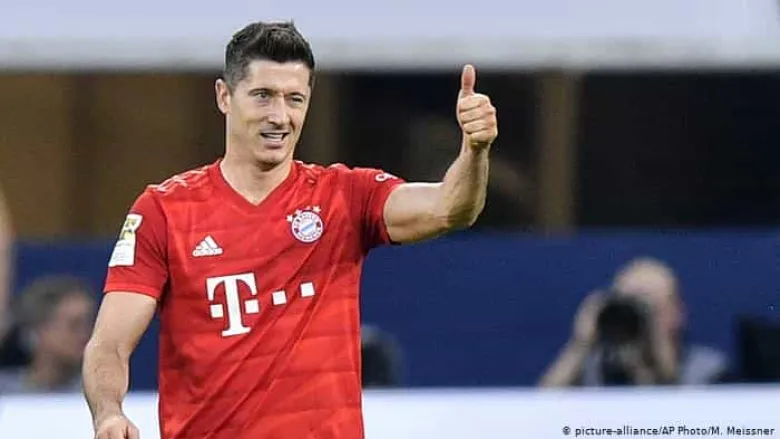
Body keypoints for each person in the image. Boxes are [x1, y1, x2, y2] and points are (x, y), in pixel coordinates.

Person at [82, 21, 497, 439]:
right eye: (263, 96)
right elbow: (109, 344)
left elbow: (450, 209)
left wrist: (475, 150)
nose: (279, 116)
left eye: (294, 99)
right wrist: (108, 413)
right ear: (224, 96)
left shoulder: (345, 197)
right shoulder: (163, 211)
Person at [539, 257, 728, 387]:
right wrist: (580, 344)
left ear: (677, 312)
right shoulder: (595, 368)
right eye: (630, 305)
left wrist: (656, 354)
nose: (641, 316)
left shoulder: (708, 370)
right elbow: (542, 411)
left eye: (651, 307)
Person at [0, 275, 95, 393]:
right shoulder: (5, 392)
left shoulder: (99, 392)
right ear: (39, 330)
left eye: (89, 324)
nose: (85, 334)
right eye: (74, 325)